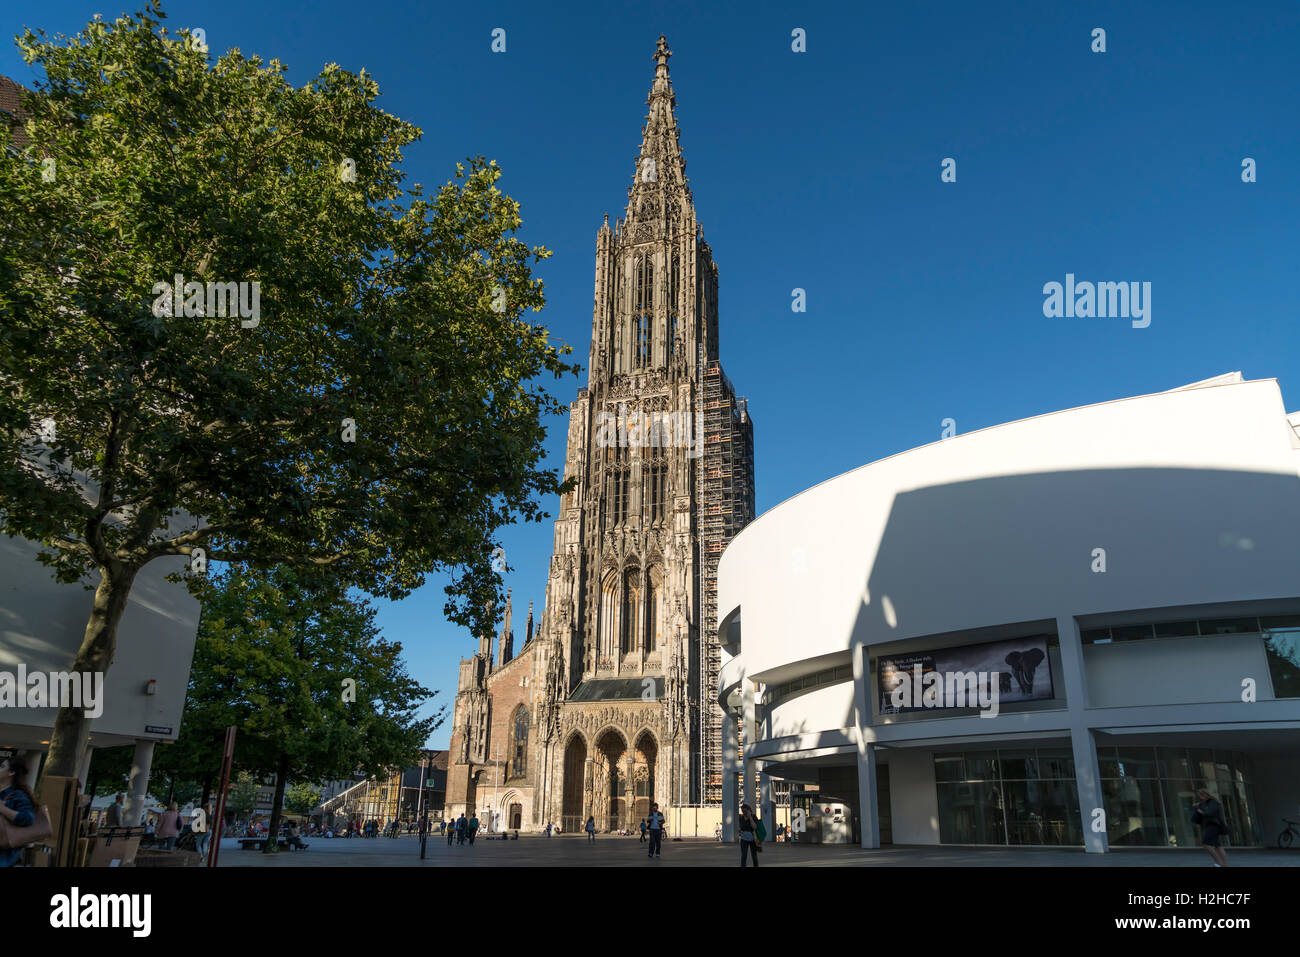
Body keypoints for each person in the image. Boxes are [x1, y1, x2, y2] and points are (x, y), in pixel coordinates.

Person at [0, 755, 37, 867]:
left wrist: (2, 809)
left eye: (2, 767)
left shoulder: (18, 795)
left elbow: (28, 818)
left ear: (11, 772)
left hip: (5, 856)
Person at [1193, 788, 1230, 867]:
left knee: (1206, 844)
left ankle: (1218, 863)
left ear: (1205, 795)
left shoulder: (1213, 803)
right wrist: (1198, 808)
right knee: (1217, 845)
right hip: (1209, 825)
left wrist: (1199, 809)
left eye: (1201, 795)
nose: (1200, 797)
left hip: (1213, 825)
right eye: (1200, 796)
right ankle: (1224, 864)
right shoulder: (1204, 803)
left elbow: (1208, 812)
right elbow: (1197, 817)